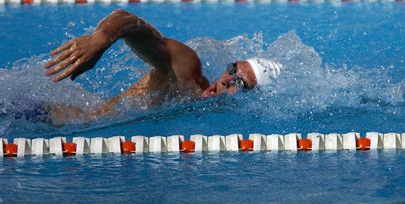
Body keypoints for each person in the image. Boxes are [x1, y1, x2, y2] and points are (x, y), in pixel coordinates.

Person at [44, 10, 282, 120]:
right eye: (232, 70)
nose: (225, 80)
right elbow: (128, 20)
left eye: (239, 83)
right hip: (48, 117)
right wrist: (102, 39)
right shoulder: (187, 73)